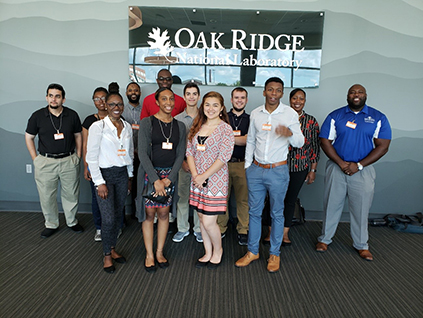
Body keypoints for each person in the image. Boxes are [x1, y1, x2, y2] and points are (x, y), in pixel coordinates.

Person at [235, 77, 304, 273]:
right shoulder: (256, 113)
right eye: (270, 90)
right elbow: (250, 142)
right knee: (254, 212)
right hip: (256, 170)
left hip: (278, 171)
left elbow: (300, 141)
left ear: (282, 93)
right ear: (264, 92)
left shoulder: (290, 114)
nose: (273, 93)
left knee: (276, 213)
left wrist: (289, 133)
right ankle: (252, 251)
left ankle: (275, 253)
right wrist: (248, 166)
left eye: (278, 90)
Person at [316, 84, 391, 261]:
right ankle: (325, 239)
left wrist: (358, 165)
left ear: (365, 95)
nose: (356, 95)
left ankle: (361, 245)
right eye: (352, 92)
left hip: (363, 171)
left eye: (360, 92)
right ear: (347, 96)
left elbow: (383, 146)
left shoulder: (378, 117)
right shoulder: (336, 116)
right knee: (331, 205)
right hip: (336, 168)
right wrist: (341, 163)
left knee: (361, 209)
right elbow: (325, 141)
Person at [136, 87, 186, 273]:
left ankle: (159, 252)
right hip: (150, 176)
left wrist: (169, 179)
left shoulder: (179, 126)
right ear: (156, 102)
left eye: (171, 99)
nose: (168, 103)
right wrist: (156, 179)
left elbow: (180, 155)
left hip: (169, 177)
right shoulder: (147, 123)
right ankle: (149, 254)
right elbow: (142, 153)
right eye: (164, 99)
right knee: (149, 215)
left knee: (164, 214)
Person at [25, 83, 84, 238]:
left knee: (71, 194)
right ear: (46, 97)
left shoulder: (72, 115)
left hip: (68, 160)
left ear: (63, 99)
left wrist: (78, 155)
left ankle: (72, 221)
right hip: (45, 162)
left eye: (57, 96)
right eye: (50, 95)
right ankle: (51, 224)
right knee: (46, 195)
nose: (53, 99)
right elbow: (29, 137)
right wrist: (35, 159)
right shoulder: (37, 116)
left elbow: (79, 135)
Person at [263, 88, 320, 245]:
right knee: (272, 199)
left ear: (305, 101)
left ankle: (284, 233)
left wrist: (313, 170)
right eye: (295, 98)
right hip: (276, 165)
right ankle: (270, 232)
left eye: (301, 99)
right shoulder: (281, 117)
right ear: (289, 99)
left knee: (290, 200)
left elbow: (314, 148)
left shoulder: (311, 121)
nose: (297, 101)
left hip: (299, 167)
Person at [86, 90, 133, 273]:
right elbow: (91, 157)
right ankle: (106, 255)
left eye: (119, 104)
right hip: (104, 176)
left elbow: (128, 154)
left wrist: (129, 177)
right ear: (105, 105)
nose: (116, 107)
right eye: (112, 104)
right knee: (108, 218)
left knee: (117, 215)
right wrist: (99, 182)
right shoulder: (98, 127)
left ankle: (113, 249)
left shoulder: (127, 126)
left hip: (122, 175)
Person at [186, 91, 235, 269]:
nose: (211, 108)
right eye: (207, 104)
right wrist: (195, 176)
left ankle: (218, 251)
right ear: (202, 106)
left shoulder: (225, 129)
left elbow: (224, 157)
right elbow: (189, 152)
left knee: (209, 221)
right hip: (197, 180)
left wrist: (203, 176)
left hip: (215, 181)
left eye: (215, 105)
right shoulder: (197, 125)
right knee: (200, 217)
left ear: (222, 108)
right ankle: (207, 252)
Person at [217, 87, 250, 246]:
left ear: (246, 100)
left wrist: (228, 138)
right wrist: (240, 138)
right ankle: (221, 227)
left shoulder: (250, 119)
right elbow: (217, 139)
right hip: (222, 165)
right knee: (222, 199)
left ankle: (243, 229)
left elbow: (249, 141)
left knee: (243, 200)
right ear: (231, 100)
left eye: (242, 98)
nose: (239, 100)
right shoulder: (222, 118)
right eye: (236, 97)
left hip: (242, 164)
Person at [172, 83, 202, 243]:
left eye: (194, 94)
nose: (191, 97)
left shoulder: (205, 118)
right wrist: (182, 162)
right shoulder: (177, 120)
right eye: (188, 94)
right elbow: (176, 145)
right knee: (182, 197)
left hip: (201, 167)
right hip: (183, 166)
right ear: (184, 97)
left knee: (199, 198)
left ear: (198, 97)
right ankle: (182, 228)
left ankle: (198, 229)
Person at [82, 87, 109, 242]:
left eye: (103, 98)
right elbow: (86, 145)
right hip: (95, 165)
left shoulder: (116, 118)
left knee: (113, 198)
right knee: (97, 198)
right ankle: (99, 228)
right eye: (97, 98)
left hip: (112, 166)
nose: (101, 101)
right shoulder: (89, 121)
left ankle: (114, 227)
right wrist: (86, 167)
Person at [122, 82, 142, 219]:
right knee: (125, 184)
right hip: (124, 155)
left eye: (136, 90)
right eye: (130, 90)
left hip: (142, 154)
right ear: (126, 93)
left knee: (139, 185)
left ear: (140, 93)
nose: (133, 92)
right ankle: (122, 217)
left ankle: (138, 212)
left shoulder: (145, 109)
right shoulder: (121, 110)